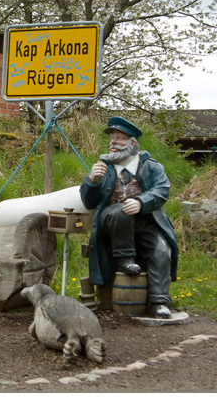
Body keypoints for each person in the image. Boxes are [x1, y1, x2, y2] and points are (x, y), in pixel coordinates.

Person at [80, 116, 179, 318]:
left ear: (132, 143)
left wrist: (142, 202)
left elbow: (162, 190)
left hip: (145, 223)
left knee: (161, 249)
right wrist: (92, 181)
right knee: (120, 210)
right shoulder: (103, 167)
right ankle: (125, 258)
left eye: (119, 138)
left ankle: (159, 301)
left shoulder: (151, 166)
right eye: (111, 139)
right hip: (112, 223)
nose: (112, 143)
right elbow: (88, 202)